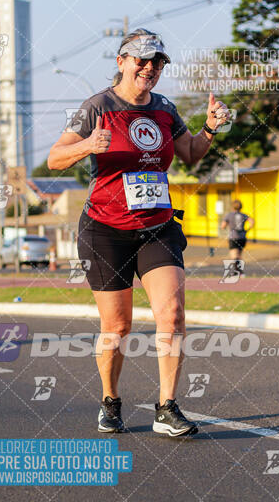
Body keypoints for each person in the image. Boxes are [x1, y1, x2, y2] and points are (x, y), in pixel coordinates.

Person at [48, 29, 230, 437]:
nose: (150, 68)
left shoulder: (164, 108)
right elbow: (55, 158)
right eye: (142, 61)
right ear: (122, 62)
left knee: (173, 315)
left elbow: (190, 154)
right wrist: (87, 145)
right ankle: (110, 401)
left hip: (157, 227)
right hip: (106, 230)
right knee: (118, 327)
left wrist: (211, 129)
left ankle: (167, 408)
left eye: (158, 62)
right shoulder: (98, 106)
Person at [221, 200, 254, 276]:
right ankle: (239, 271)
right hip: (242, 237)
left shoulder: (229, 215)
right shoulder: (243, 215)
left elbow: (223, 226)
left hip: (233, 237)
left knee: (234, 255)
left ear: (232, 207)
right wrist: (247, 230)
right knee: (239, 255)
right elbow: (252, 221)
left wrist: (226, 227)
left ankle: (238, 272)